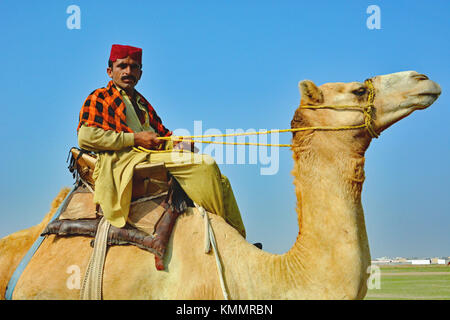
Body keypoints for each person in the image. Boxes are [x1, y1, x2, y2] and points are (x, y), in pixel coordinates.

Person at [77, 44, 246, 238]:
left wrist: (176, 143)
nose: (128, 71)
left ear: (140, 73)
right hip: (124, 161)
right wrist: (135, 138)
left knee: (221, 180)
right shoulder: (99, 97)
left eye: (134, 67)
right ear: (110, 71)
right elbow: (86, 137)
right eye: (122, 66)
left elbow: (160, 136)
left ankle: (240, 237)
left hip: (148, 157)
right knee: (205, 165)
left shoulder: (142, 103)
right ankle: (222, 235)